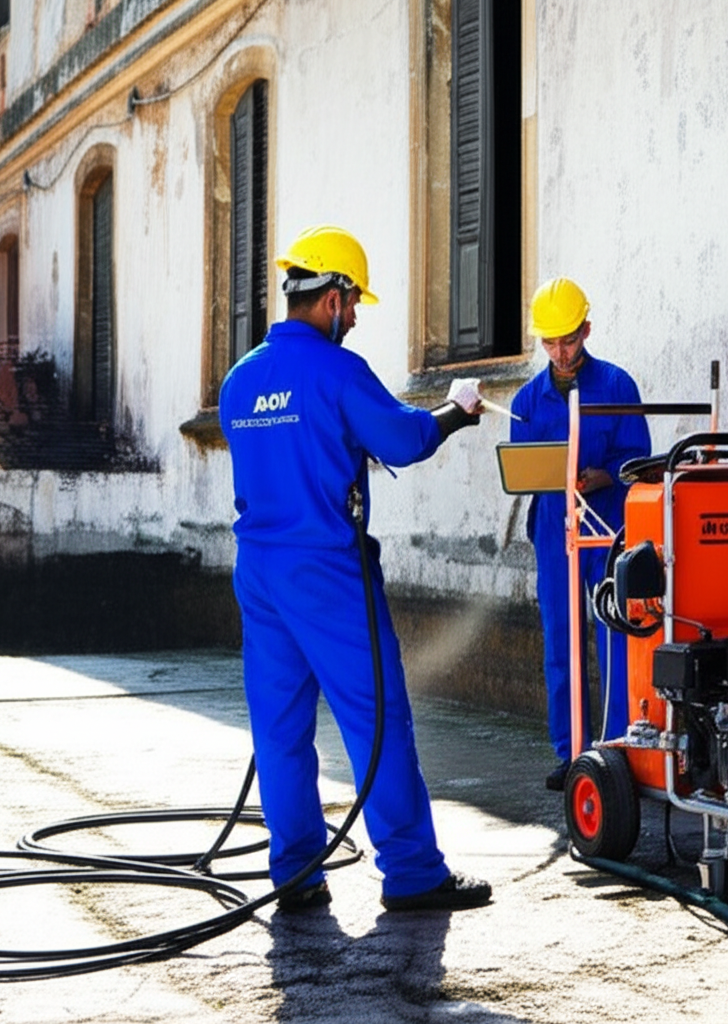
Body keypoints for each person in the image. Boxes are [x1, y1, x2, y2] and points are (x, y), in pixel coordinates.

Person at [219, 224, 492, 913]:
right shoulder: (338, 371)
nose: (356, 315)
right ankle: (411, 871)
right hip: (328, 572)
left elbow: (276, 458)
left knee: (280, 730)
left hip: (259, 572)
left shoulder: (239, 381)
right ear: (334, 298)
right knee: (378, 719)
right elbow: (403, 437)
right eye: (354, 301)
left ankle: (295, 873)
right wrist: (457, 414)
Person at [510, 277, 651, 791]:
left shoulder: (617, 386)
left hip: (610, 523)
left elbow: (639, 457)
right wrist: (557, 478)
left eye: (568, 339)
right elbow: (523, 467)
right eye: (549, 342)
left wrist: (604, 474)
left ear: (586, 330)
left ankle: (616, 751)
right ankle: (570, 752)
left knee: (614, 633)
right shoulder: (528, 399)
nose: (560, 351)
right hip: (554, 525)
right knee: (560, 639)